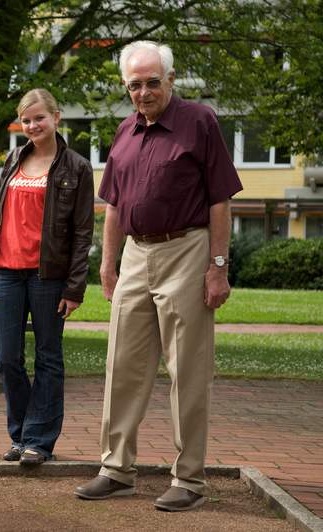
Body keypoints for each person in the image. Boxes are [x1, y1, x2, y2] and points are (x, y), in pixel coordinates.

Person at [73, 41, 242, 512]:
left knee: (187, 370)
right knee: (121, 366)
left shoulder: (200, 122)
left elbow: (220, 201)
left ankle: (188, 479)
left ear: (170, 80)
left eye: (151, 82)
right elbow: (111, 205)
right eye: (134, 84)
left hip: (187, 250)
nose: (143, 92)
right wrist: (106, 264)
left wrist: (218, 266)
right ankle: (116, 469)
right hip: (134, 254)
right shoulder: (125, 130)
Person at [0, 88, 94, 466]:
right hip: (6, 273)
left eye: (39, 118)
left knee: (48, 357)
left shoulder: (76, 167)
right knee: (7, 358)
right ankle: (21, 434)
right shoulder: (12, 159)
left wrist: (75, 287)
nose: (32, 126)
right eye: (26, 120)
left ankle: (38, 442)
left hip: (48, 277)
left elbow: (82, 232)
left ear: (56, 117)